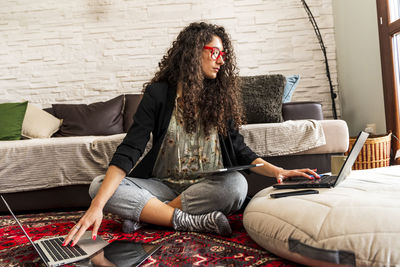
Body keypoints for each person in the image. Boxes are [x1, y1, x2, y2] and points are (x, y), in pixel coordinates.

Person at [63, 22, 319, 247]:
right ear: (194, 53)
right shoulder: (159, 94)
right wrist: (96, 207)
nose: (221, 60)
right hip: (161, 185)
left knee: (237, 185)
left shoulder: (221, 99)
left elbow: (241, 151)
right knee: (98, 187)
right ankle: (189, 221)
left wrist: (277, 171)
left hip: (205, 188)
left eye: (223, 54)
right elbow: (131, 148)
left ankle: (151, 216)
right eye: (215, 53)